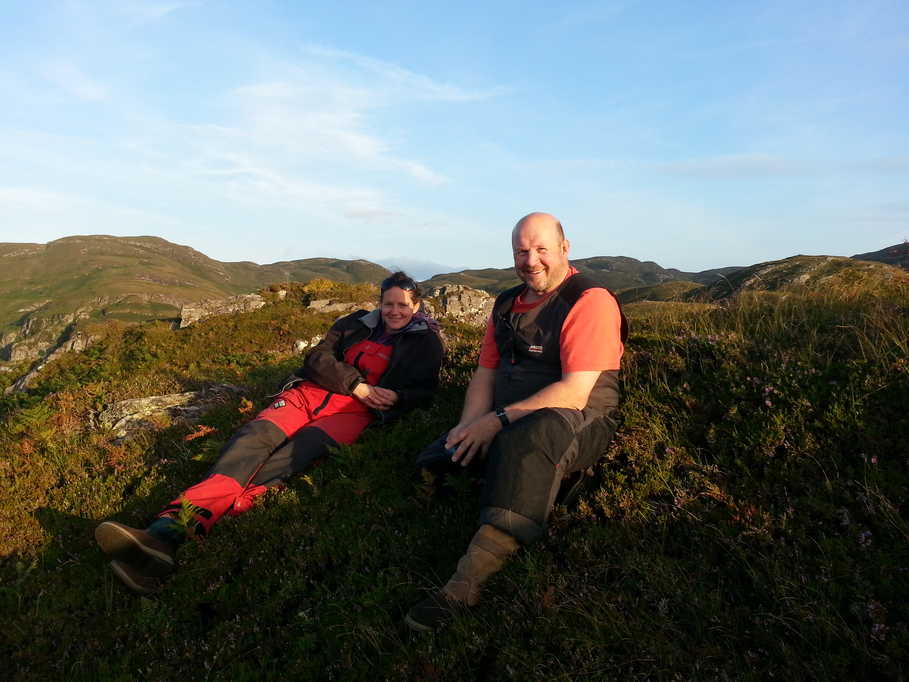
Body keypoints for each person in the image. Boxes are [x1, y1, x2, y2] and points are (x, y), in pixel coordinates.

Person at [96, 272, 444, 594]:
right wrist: (358, 386)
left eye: (402, 305)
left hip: (351, 414)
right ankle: (166, 531)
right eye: (388, 304)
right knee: (249, 443)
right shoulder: (354, 323)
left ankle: (176, 539)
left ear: (416, 306)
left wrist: (399, 397)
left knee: (287, 461)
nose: (394, 311)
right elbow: (317, 359)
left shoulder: (425, 341)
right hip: (305, 395)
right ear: (379, 302)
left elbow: (425, 391)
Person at [405, 213, 627, 631]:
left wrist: (496, 423)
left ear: (565, 248)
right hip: (506, 413)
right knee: (437, 459)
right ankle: (530, 485)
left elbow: (577, 392)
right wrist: (469, 427)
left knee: (527, 443)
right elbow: (485, 375)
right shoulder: (507, 303)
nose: (531, 260)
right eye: (522, 251)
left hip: (575, 417)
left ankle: (466, 583)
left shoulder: (588, 299)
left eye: (542, 248)